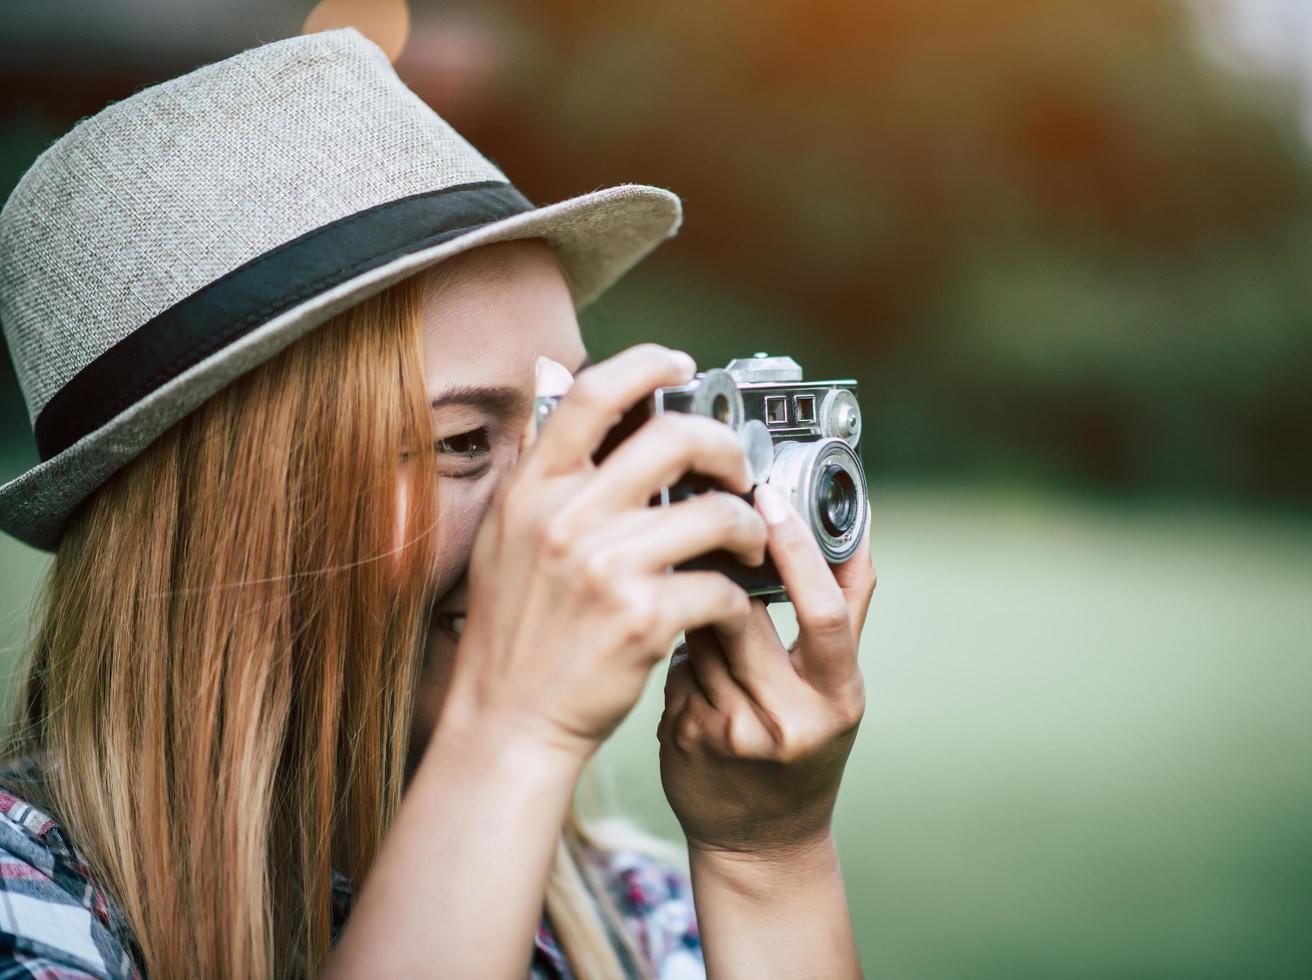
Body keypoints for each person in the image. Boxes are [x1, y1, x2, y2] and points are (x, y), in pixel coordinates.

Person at [0, 28, 874, 980]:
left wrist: (766, 860)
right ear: (219, 521)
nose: (565, 506)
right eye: (462, 442)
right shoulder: (29, 900)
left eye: (576, 420)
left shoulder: (630, 911)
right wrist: (514, 730)